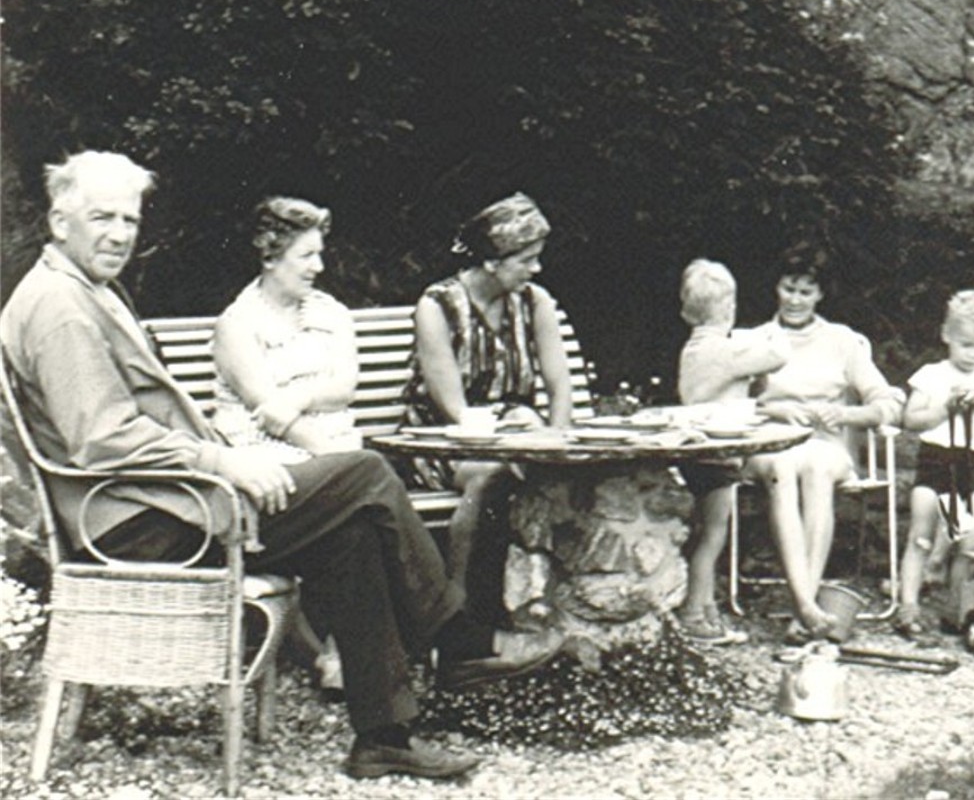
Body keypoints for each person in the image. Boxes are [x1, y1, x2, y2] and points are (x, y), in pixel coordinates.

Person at [0, 151, 563, 781]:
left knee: (354, 532)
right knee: (366, 474)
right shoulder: (61, 308)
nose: (119, 234)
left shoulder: (82, 290)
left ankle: (384, 737)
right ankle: (456, 639)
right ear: (59, 222)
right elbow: (102, 439)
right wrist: (224, 460)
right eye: (101, 218)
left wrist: (224, 463)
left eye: (129, 219)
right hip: (141, 523)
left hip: (165, 502)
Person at [212, 195, 364, 693]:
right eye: (307, 256)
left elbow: (344, 385)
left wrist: (299, 394)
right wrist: (335, 457)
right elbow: (267, 413)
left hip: (330, 450)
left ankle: (342, 649)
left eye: (320, 254)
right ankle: (329, 651)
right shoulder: (237, 324)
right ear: (271, 255)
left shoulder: (331, 313)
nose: (318, 267)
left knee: (361, 505)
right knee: (357, 502)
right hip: (269, 462)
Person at [400, 192, 573, 619]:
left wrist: (555, 439)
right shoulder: (437, 306)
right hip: (447, 441)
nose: (536, 269)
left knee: (540, 471)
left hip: (521, 437)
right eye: (526, 260)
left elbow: (559, 384)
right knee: (490, 475)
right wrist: (514, 438)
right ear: (492, 262)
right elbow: (453, 407)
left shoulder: (534, 302)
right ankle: (458, 598)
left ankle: (526, 605)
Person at [744, 244, 904, 643]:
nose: (796, 300)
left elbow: (888, 403)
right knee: (783, 467)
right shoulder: (756, 340)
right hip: (771, 445)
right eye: (789, 288)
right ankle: (806, 606)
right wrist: (774, 410)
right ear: (776, 288)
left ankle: (804, 606)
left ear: (820, 294)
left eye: (806, 291)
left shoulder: (841, 340)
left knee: (815, 467)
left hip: (825, 446)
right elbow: (728, 404)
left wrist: (845, 415)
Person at [675, 259, 791, 644]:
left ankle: (707, 607)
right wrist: (768, 332)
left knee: (705, 532)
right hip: (718, 453)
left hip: (695, 449)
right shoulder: (725, 351)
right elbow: (778, 355)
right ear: (728, 308)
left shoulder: (693, 349)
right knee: (712, 535)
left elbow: (749, 384)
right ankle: (694, 613)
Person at [896, 290, 974, 638]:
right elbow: (911, 419)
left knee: (969, 542)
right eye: (965, 344)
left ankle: (954, 607)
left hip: (969, 470)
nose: (972, 354)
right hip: (934, 466)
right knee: (920, 538)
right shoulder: (932, 375)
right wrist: (945, 407)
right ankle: (908, 605)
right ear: (947, 335)